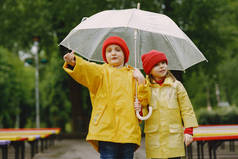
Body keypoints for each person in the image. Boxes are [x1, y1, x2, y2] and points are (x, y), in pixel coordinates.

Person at [63, 36, 144, 159]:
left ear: (125, 54)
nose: (113, 53)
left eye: (117, 49)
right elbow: (86, 68)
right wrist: (74, 61)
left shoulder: (134, 75)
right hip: (106, 131)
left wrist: (142, 81)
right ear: (105, 56)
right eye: (109, 50)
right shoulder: (100, 72)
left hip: (129, 132)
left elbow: (145, 98)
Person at [135, 50, 198, 159]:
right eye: (156, 65)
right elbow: (144, 113)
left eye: (163, 63)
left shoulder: (176, 86)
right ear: (149, 70)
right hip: (155, 140)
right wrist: (139, 108)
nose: (161, 66)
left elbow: (186, 109)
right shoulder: (145, 88)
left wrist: (189, 131)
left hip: (173, 138)